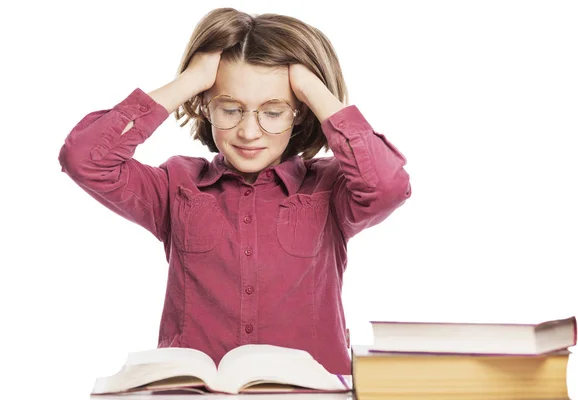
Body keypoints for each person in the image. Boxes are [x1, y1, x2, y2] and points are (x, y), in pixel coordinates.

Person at [58, 7, 411, 375]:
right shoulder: (176, 186)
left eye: (273, 112)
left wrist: (312, 89)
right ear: (204, 106)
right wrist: (190, 81)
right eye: (230, 109)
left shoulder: (331, 189)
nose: (248, 132)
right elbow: (84, 158)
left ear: (302, 112)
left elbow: (388, 186)